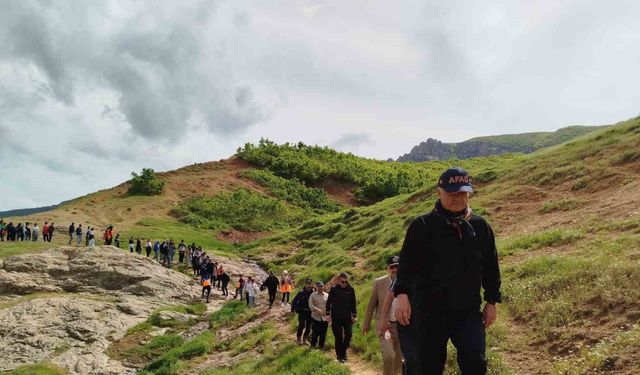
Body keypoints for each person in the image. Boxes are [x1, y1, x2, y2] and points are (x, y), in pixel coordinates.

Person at [393, 167, 502, 375]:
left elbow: (490, 266)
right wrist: (402, 294)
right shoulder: (422, 226)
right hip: (428, 312)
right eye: (452, 193)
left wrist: (491, 301)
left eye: (463, 192)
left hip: (468, 312)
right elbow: (406, 265)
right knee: (426, 367)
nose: (458, 198)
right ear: (439, 192)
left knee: (476, 363)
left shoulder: (480, 227)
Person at [363, 255, 403, 375]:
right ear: (387, 268)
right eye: (392, 267)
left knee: (398, 359)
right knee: (389, 355)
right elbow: (371, 306)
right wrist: (366, 324)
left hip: (401, 327)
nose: (395, 269)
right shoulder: (379, 283)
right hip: (385, 326)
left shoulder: (406, 282)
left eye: (397, 266)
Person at [326, 272, 357, 363]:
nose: (344, 284)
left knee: (349, 335)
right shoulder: (334, 289)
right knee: (338, 337)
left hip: (347, 317)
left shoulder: (351, 289)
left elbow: (353, 304)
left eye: (345, 282)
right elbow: (329, 302)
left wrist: (354, 316)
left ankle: (343, 351)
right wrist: (328, 315)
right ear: (339, 280)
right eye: (342, 282)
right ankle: (339, 356)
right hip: (336, 317)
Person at [291, 280, 315, 345]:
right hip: (302, 311)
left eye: (310, 285)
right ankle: (298, 339)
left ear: (312, 285)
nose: (309, 287)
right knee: (301, 325)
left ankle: (304, 339)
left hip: (310, 312)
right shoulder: (301, 293)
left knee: (308, 327)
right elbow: (294, 301)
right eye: (307, 285)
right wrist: (292, 310)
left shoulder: (314, 293)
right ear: (305, 285)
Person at [309, 281, 329, 350]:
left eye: (322, 286)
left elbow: (330, 305)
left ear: (323, 286)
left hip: (325, 318)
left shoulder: (327, 295)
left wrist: (329, 314)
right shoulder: (313, 295)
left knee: (323, 334)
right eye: (319, 286)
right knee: (315, 333)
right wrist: (317, 309)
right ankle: (312, 346)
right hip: (315, 317)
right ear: (317, 287)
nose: (321, 287)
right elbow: (310, 304)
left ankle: (321, 347)